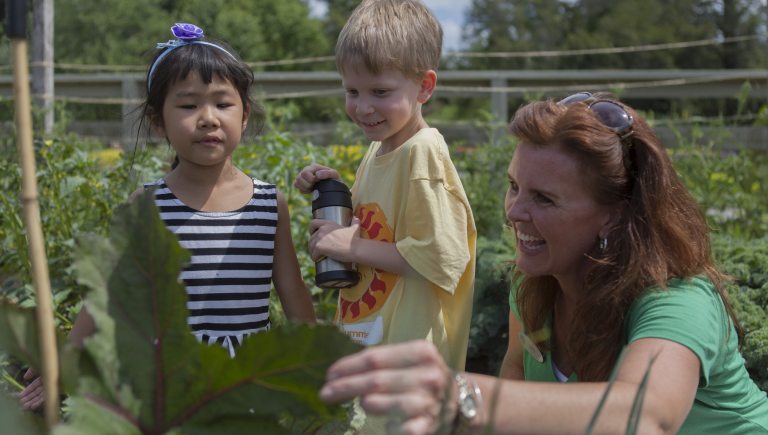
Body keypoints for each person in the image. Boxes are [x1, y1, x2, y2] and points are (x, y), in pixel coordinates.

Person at [318, 93, 768, 434]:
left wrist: (460, 393)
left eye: (544, 198)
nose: (514, 213)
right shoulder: (533, 285)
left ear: (615, 212)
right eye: (514, 187)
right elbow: (516, 376)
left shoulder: (678, 300)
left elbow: (648, 414)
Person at [18, 23, 316, 411]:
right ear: (159, 122)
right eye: (189, 105)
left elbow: (293, 293)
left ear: (244, 116)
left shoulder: (267, 203)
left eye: (222, 104)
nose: (208, 118)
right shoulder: (147, 204)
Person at [293, 0, 476, 373]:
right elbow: (377, 228)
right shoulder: (379, 149)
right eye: (352, 92)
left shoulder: (422, 152)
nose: (363, 108)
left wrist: (352, 246)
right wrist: (331, 193)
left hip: (408, 361)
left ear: (424, 87)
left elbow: (439, 257)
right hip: (373, 343)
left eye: (380, 92)